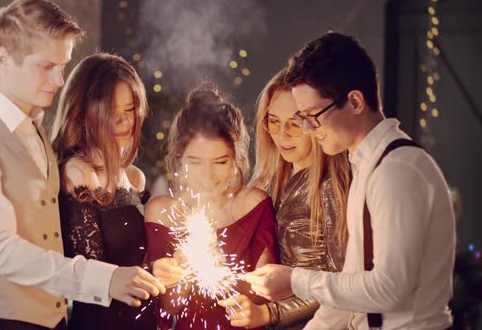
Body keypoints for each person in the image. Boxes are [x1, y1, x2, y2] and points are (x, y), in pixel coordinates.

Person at [0, 0, 163, 329]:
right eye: (46, 66)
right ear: (3, 58)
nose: (58, 80)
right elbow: (0, 250)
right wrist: (107, 279)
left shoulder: (35, 131)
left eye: (63, 65)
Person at [246, 32, 455, 329]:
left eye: (311, 116)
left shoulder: (397, 171)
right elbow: (346, 296)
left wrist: (295, 280)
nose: (308, 128)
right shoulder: (367, 168)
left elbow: (388, 289)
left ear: (355, 101)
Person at [220, 68, 351, 329]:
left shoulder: (329, 189)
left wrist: (270, 313)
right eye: (274, 121)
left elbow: (341, 286)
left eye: (295, 122)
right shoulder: (272, 185)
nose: (282, 135)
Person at [146, 85, 278, 330]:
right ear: (179, 160)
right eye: (195, 162)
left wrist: (222, 270)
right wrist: (181, 273)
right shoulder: (161, 212)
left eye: (220, 162)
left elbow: (265, 295)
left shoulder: (254, 204)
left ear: (235, 158)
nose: (207, 176)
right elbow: (168, 309)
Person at [51, 53, 156, 330]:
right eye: (112, 111)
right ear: (86, 110)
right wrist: (153, 273)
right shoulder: (77, 173)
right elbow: (91, 269)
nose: (124, 121)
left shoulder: (135, 178)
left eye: (130, 108)